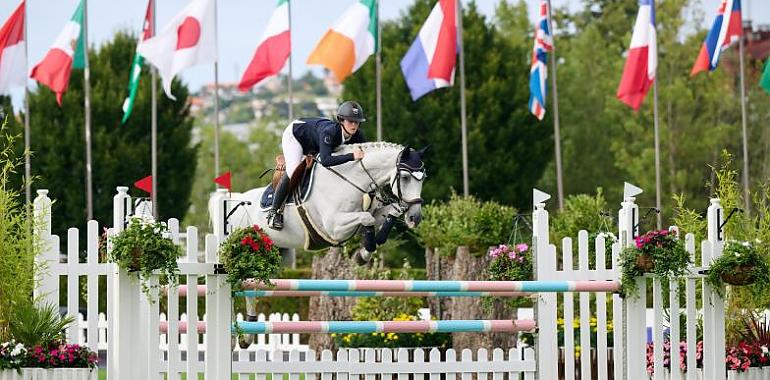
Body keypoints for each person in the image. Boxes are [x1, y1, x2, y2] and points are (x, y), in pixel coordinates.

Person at [267, 100, 368, 230]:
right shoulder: (330, 132)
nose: (354, 125)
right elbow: (326, 161)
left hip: (314, 140)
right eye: (350, 121)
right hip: (296, 136)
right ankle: (273, 213)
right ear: (341, 120)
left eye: (357, 122)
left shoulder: (358, 135)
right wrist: (352, 156)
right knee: (293, 169)